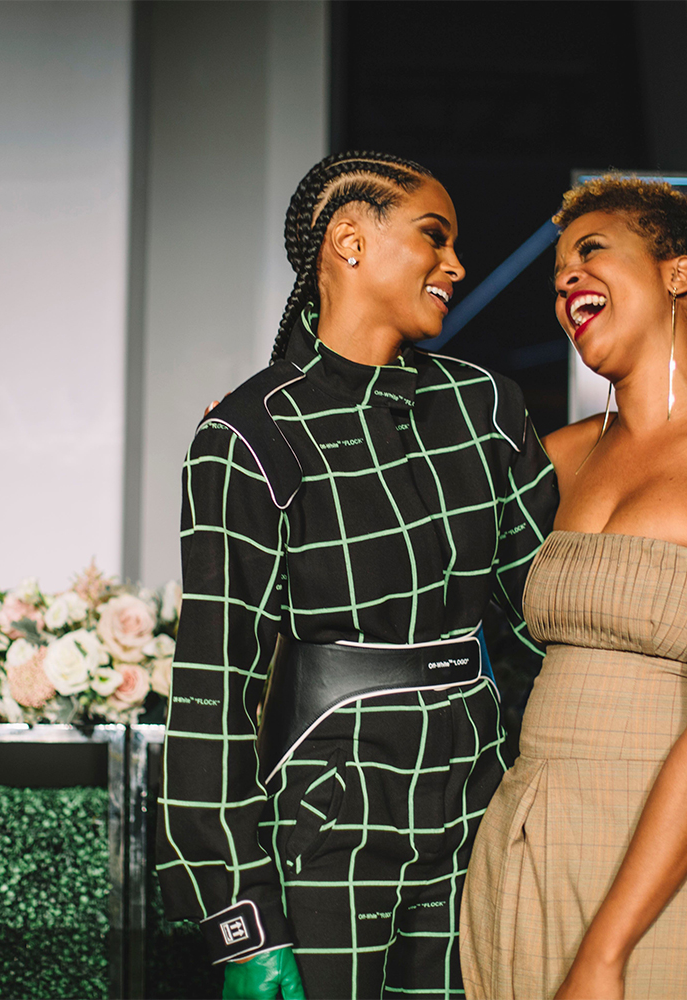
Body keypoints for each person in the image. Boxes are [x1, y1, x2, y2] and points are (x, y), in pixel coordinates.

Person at [156, 151, 558, 1000]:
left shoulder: (487, 407)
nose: (456, 265)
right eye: (434, 237)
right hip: (327, 819)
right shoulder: (249, 435)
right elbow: (211, 696)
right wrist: (241, 925)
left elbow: (548, 622)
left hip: (480, 803)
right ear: (349, 240)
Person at [460, 175, 687, 1000]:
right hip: (539, 829)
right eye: (558, 273)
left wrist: (606, 952)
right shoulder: (555, 457)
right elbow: (395, 519)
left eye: (592, 251)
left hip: (683, 849)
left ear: (677, 274)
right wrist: (277, 426)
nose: (566, 281)